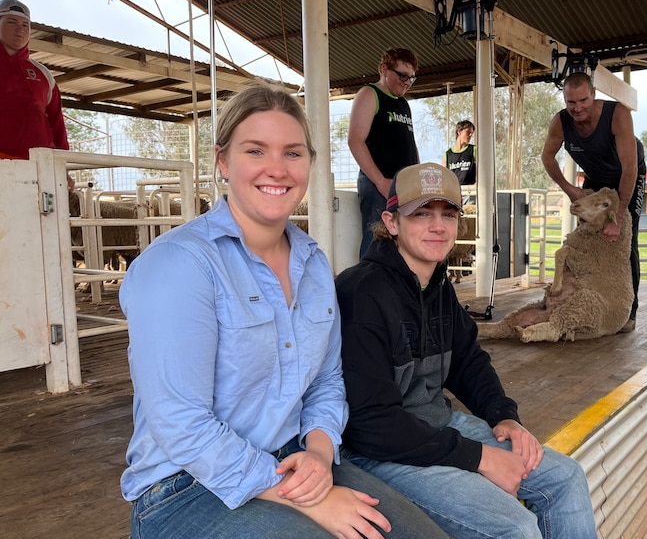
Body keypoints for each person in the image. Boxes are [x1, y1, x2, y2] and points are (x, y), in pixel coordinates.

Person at [119, 85, 450, 539]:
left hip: (294, 457)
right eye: (255, 150)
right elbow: (181, 422)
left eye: (292, 153)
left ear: (310, 164)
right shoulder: (179, 265)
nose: (277, 169)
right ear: (223, 162)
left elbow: (327, 382)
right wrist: (305, 495)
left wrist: (317, 452)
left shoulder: (313, 263)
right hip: (188, 487)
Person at [335, 162, 598, 539]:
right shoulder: (362, 293)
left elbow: (468, 361)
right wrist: (479, 458)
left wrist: (503, 415)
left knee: (565, 477)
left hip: (436, 429)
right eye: (420, 213)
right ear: (391, 222)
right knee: (513, 527)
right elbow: (371, 424)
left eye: (447, 213)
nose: (437, 226)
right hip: (378, 453)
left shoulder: (437, 284)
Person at [540, 71, 646, 333]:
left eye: (583, 101)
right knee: (584, 238)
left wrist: (618, 217)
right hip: (594, 179)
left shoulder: (618, 114)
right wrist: (570, 189)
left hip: (627, 176)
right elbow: (547, 158)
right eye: (571, 102)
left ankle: (628, 312)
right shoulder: (561, 122)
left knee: (624, 241)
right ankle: (579, 296)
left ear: (594, 94)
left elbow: (630, 169)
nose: (577, 108)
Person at [348, 47, 419, 258]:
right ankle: (366, 289)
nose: (407, 82)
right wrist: (381, 182)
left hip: (402, 187)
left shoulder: (404, 104)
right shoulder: (370, 94)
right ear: (384, 69)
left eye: (412, 78)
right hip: (379, 184)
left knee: (403, 243)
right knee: (377, 242)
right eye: (402, 75)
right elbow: (355, 141)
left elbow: (410, 144)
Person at [0, 0, 73, 190]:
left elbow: (57, 124)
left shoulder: (43, 74)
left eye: (25, 25)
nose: (20, 29)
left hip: (41, 168)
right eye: (11, 22)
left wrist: (62, 168)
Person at [445, 119, 477, 189]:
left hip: (470, 192)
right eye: (468, 132)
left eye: (471, 133)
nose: (470, 135)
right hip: (454, 193)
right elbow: (444, 177)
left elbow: (482, 170)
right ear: (459, 132)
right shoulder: (447, 155)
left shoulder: (474, 150)